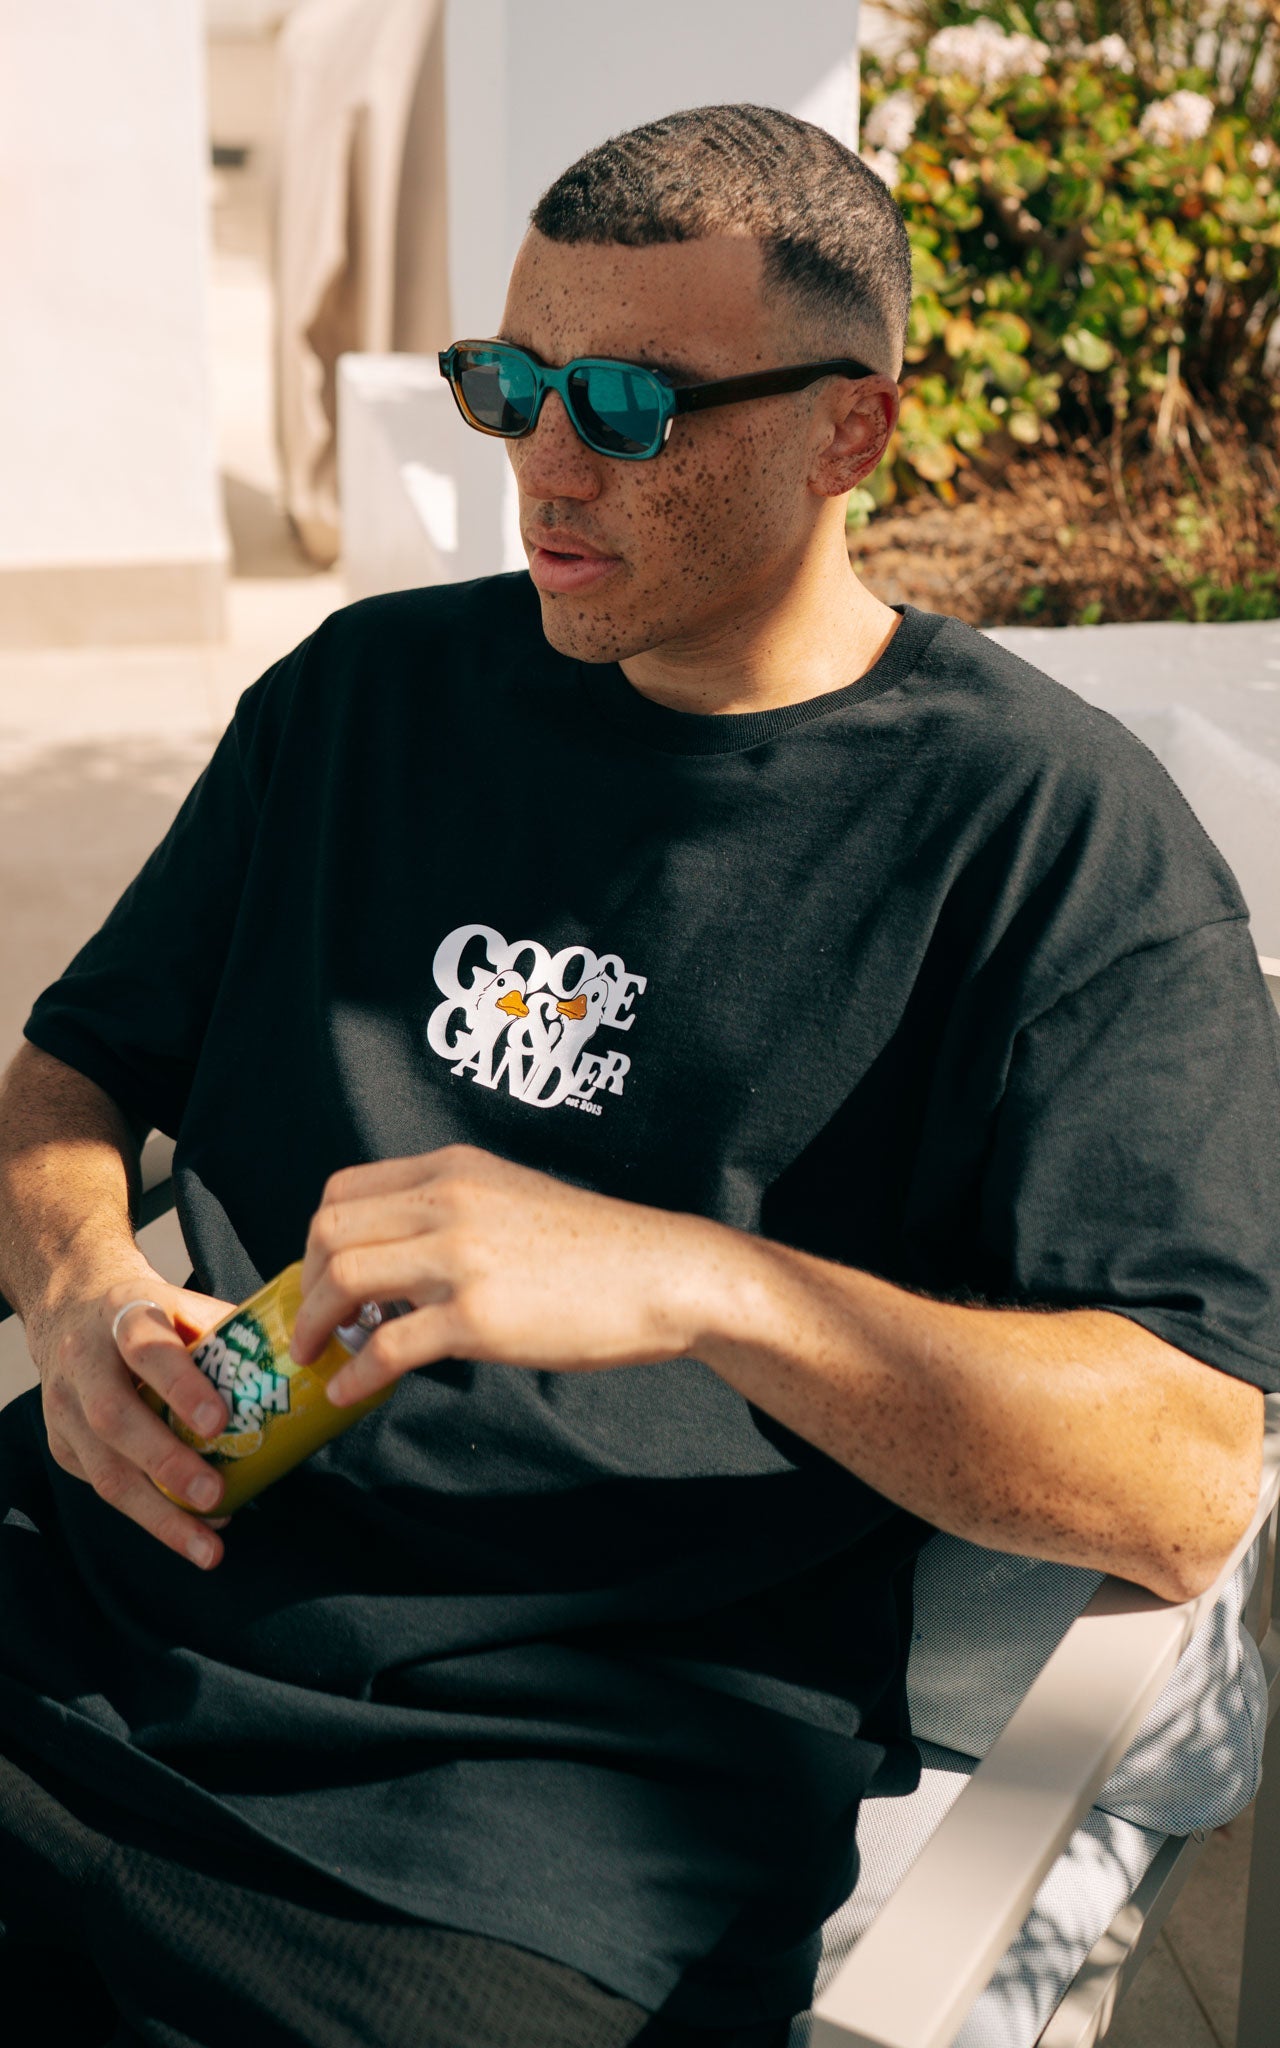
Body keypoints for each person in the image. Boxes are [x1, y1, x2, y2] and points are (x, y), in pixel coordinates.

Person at [0, 102, 1277, 2048]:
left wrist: (697, 1282)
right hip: (70, 1620)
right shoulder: (360, 698)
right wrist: (83, 1284)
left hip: (513, 1841)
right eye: (508, 384)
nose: (545, 459)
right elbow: (69, 1075)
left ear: (852, 428)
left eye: (625, 401)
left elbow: (1184, 1485)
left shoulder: (1046, 842)